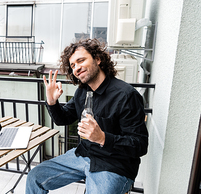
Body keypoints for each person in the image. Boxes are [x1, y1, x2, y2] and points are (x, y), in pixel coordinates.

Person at [26, 38, 148, 194]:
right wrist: (52, 102)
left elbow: (140, 145)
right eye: (73, 65)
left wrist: (103, 138)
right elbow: (63, 119)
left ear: (97, 59)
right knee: (34, 177)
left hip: (114, 165)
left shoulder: (126, 95)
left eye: (81, 60)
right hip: (84, 155)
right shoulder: (82, 92)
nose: (76, 68)